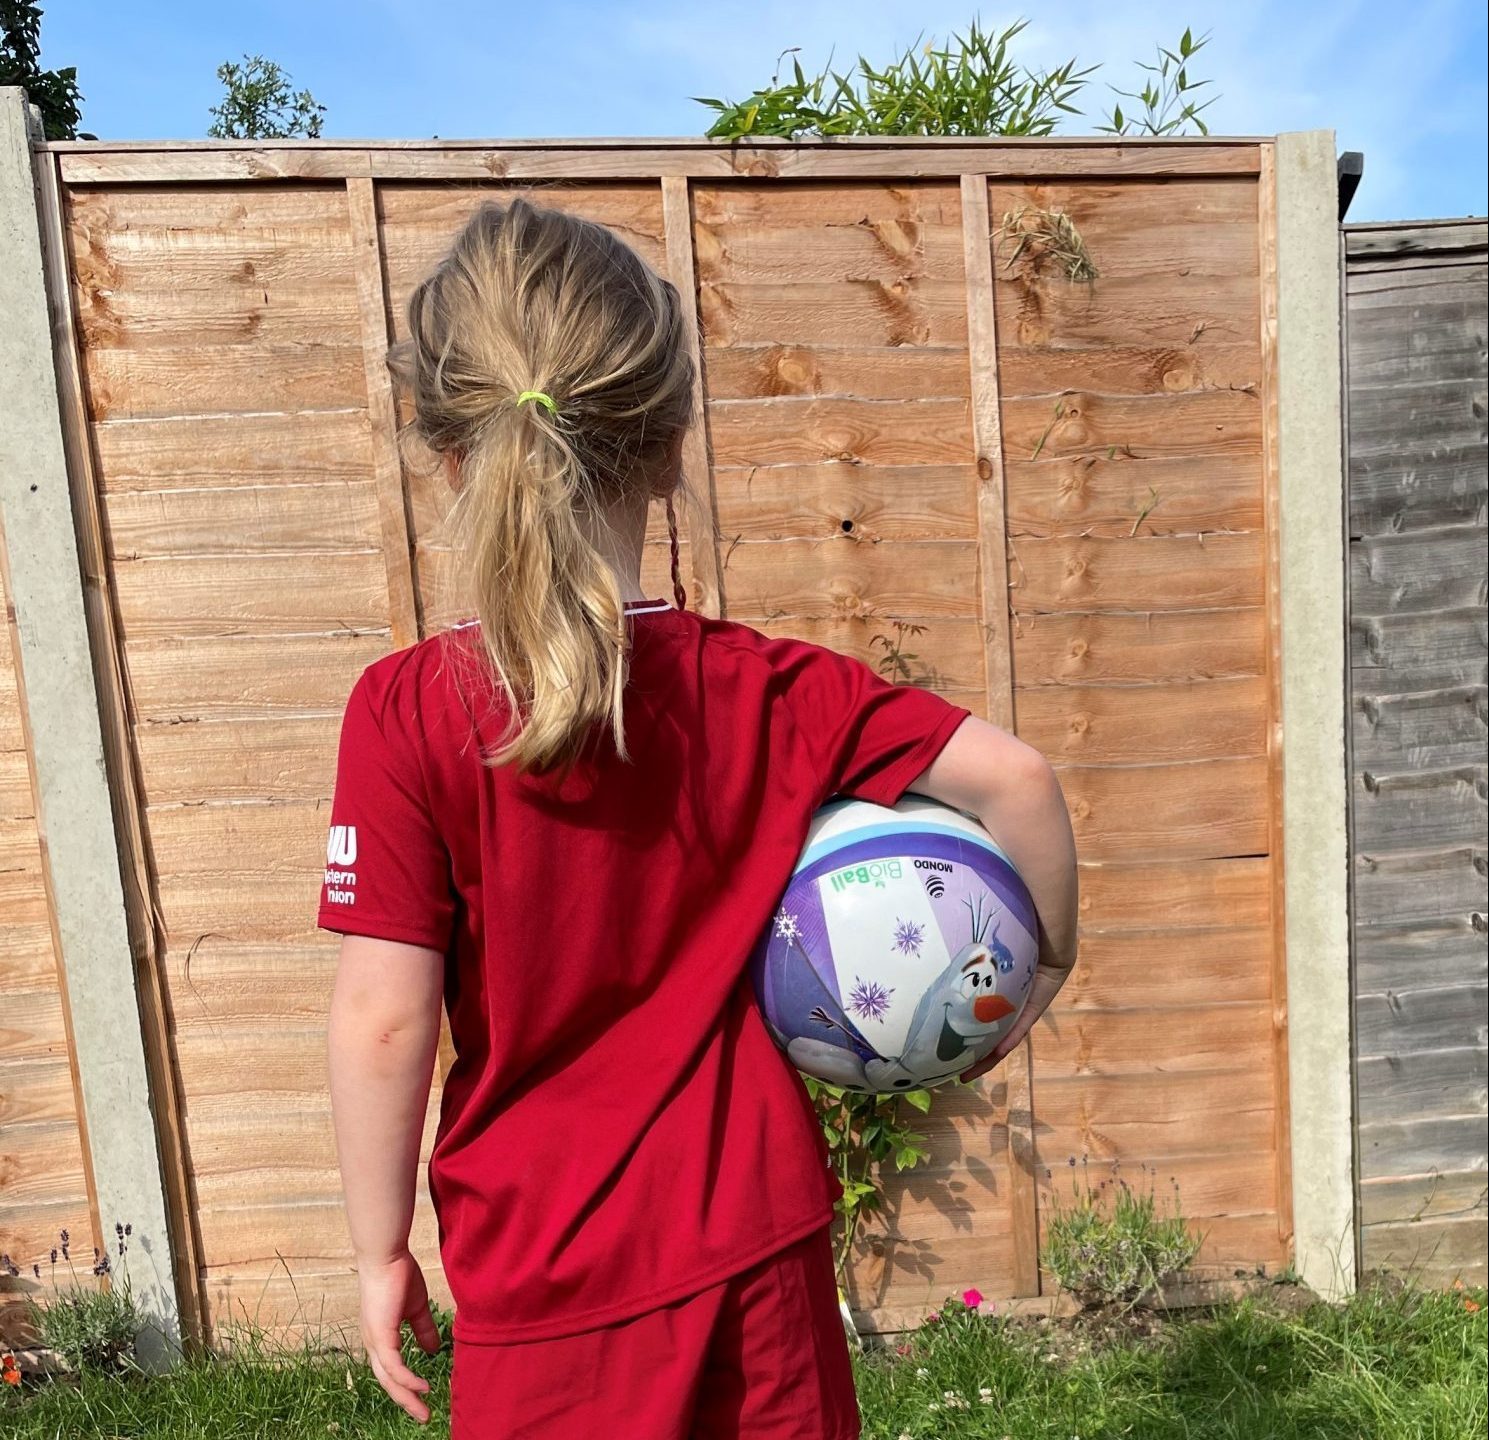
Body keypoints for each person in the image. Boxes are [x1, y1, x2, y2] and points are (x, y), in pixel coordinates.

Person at [322, 197, 1079, 1440]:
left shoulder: (404, 715)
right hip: (754, 1260)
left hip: (536, 1275)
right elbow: (1018, 782)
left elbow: (383, 1012)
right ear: (669, 448)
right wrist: (1030, 981)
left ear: (448, 450)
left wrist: (375, 1251)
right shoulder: (768, 691)